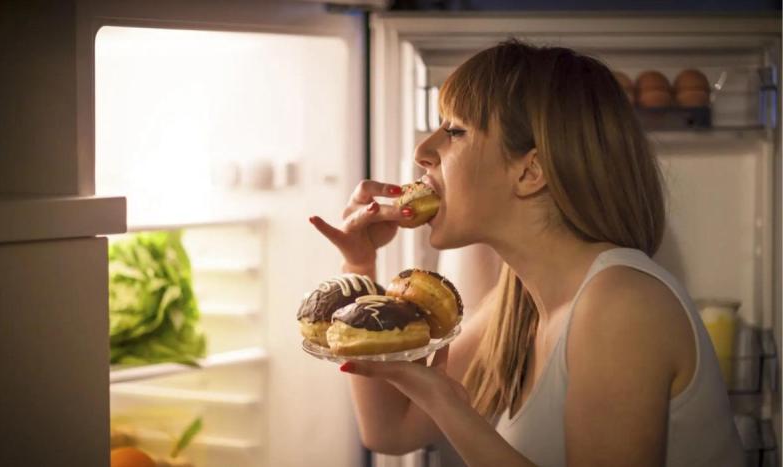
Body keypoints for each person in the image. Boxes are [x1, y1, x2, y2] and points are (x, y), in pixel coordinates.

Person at [308, 38, 744, 467]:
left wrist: (450, 405)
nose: (423, 153)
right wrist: (360, 264)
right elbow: (391, 431)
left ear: (530, 171)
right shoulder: (518, 303)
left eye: (454, 131)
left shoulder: (620, 304)